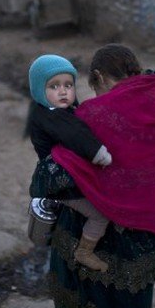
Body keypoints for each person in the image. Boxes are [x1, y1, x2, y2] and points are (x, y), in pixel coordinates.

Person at [29, 43, 155, 308]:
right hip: (133, 250)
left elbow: (48, 178)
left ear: (97, 77)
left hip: (79, 241)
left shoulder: (91, 117)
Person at [26, 54, 115, 272]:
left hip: (62, 177)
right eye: (54, 86)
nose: (63, 91)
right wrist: (99, 154)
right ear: (39, 89)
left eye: (68, 85)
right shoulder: (51, 116)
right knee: (100, 215)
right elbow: (76, 134)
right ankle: (84, 252)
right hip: (61, 184)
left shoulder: (54, 109)